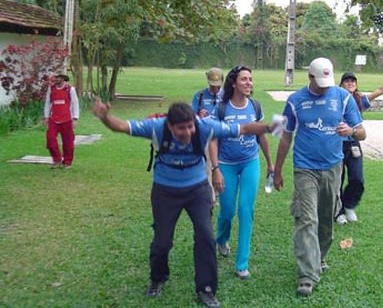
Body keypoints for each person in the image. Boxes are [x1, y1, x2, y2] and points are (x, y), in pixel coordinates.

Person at [92, 99, 275, 307]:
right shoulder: (156, 128)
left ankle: (206, 289)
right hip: (165, 190)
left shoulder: (205, 126)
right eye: (181, 128)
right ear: (169, 126)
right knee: (162, 242)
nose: (187, 132)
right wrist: (105, 116)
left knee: (206, 237)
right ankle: (158, 278)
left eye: (190, 127)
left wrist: (268, 127)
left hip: (197, 189)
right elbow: (123, 126)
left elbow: (242, 128)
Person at [273, 57, 366, 297]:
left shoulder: (343, 97)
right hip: (304, 168)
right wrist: (277, 169)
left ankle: (319, 258)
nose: (325, 87)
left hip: (333, 167)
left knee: (326, 219)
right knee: (306, 219)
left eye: (328, 82)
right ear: (310, 77)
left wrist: (351, 131)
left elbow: (363, 132)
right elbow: (284, 136)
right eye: (320, 81)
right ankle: (307, 275)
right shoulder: (295, 101)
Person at [209, 66, 274, 280]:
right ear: (234, 83)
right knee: (227, 211)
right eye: (244, 79)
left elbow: (261, 136)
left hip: (250, 163)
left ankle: (242, 264)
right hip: (226, 165)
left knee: (246, 210)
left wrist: (270, 163)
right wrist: (216, 169)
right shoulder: (221, 108)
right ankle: (221, 238)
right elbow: (213, 139)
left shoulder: (254, 106)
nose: (249, 83)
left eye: (251, 79)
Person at [336, 67, 383, 224]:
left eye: (353, 81)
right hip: (337, 144)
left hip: (353, 142)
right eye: (347, 81)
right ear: (341, 84)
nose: (350, 83)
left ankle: (349, 205)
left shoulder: (359, 100)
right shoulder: (335, 99)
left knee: (357, 178)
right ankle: (337, 211)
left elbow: (379, 91)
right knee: (337, 180)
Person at [191, 68, 224, 202]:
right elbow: (190, 116)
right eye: (212, 85)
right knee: (208, 167)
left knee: (222, 165)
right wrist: (198, 115)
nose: (215, 88)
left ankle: (220, 192)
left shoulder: (228, 96)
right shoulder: (199, 96)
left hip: (223, 136)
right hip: (207, 138)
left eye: (218, 86)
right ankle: (210, 197)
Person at [43, 73, 79, 169]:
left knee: (68, 142)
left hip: (67, 119)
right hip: (53, 119)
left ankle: (67, 162)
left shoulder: (70, 89)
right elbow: (48, 103)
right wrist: (46, 117)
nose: (56, 79)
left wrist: (75, 118)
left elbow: (75, 104)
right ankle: (57, 159)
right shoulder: (51, 89)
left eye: (58, 77)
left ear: (63, 79)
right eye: (55, 77)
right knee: (50, 139)